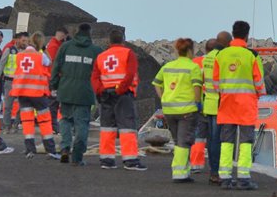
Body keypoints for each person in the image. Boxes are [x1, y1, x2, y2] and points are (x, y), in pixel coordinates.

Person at [212, 20, 265, 190]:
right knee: (246, 141)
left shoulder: (221, 55)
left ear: (232, 34)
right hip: (246, 105)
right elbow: (259, 83)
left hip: (227, 103)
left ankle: (225, 176)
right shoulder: (252, 56)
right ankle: (243, 177)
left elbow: (215, 83)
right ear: (247, 35)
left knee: (226, 141)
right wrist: (258, 94)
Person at [91, 28, 145, 171]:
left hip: (106, 96)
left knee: (107, 128)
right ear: (123, 39)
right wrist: (120, 90)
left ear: (109, 41)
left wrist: (101, 91)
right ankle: (130, 160)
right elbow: (130, 74)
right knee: (127, 127)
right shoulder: (128, 54)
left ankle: (107, 160)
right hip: (123, 95)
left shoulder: (101, 56)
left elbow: (95, 77)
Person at [49, 23, 102, 166]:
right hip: (85, 93)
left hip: (65, 90)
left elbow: (56, 67)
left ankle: (65, 147)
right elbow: (101, 73)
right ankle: (77, 157)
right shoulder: (96, 51)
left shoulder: (65, 47)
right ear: (90, 33)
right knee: (82, 124)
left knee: (65, 120)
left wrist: (54, 85)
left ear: (76, 32)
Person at [152, 38, 203, 183]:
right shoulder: (193, 67)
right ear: (189, 51)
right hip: (187, 109)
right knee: (183, 141)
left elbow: (156, 83)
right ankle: (179, 172)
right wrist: (198, 103)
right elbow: (197, 87)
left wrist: (163, 98)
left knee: (177, 140)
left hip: (169, 110)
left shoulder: (168, 66)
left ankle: (183, 170)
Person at [12, 32, 59, 160]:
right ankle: (51, 150)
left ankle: (29, 150)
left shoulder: (19, 55)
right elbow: (49, 62)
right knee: (45, 121)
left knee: (27, 122)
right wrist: (43, 49)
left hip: (22, 94)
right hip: (38, 94)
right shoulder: (40, 56)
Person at [198, 33, 229, 184]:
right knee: (219, 140)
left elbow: (202, 79)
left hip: (208, 103)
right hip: (220, 103)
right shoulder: (223, 57)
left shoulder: (207, 57)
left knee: (211, 140)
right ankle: (217, 172)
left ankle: (213, 171)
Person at [0, 32, 27, 132]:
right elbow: (1, 64)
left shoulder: (27, 52)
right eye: (23, 40)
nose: (25, 43)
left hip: (22, 82)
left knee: (23, 105)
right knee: (8, 105)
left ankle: (16, 124)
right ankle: (7, 126)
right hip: (9, 81)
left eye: (26, 41)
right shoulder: (9, 50)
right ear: (17, 40)